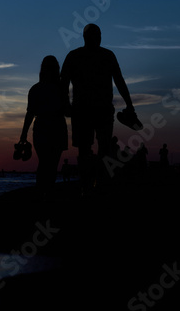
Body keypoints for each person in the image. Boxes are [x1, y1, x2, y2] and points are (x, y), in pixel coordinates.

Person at [60, 24, 136, 193]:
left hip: (98, 110)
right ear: (86, 37)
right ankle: (89, 183)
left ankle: (97, 183)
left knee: (101, 148)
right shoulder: (76, 56)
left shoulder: (106, 56)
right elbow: (63, 82)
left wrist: (130, 104)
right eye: (95, 35)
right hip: (83, 111)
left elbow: (119, 81)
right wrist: (65, 104)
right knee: (87, 149)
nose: (98, 38)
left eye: (99, 35)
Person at [20, 55, 68, 194]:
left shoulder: (35, 89)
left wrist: (23, 135)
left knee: (44, 163)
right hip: (57, 126)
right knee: (52, 165)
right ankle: (48, 193)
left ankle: (42, 193)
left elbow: (30, 114)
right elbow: (67, 111)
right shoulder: (61, 88)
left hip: (42, 127)